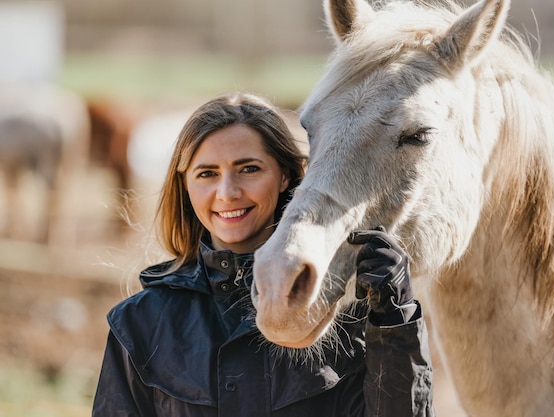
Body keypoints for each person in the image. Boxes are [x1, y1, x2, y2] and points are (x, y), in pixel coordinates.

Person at [92, 92, 435, 417]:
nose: (227, 193)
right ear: (185, 184)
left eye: (249, 169)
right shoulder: (139, 323)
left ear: (285, 175)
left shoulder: (342, 314)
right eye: (207, 173)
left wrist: (395, 321)